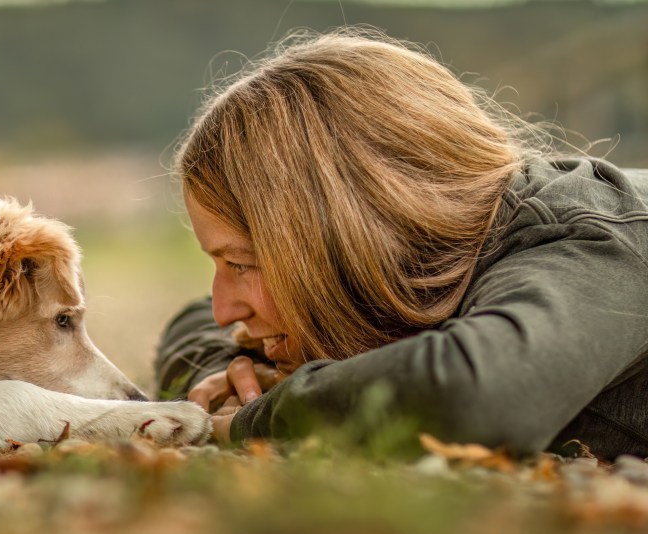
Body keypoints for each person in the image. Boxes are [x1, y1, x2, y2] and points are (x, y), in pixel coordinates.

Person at [155, 28, 648, 459]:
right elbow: (193, 322)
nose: (224, 310)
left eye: (241, 264)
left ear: (364, 231)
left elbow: (479, 394)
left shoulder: (590, 238)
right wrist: (229, 377)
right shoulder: (429, 274)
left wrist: (267, 414)